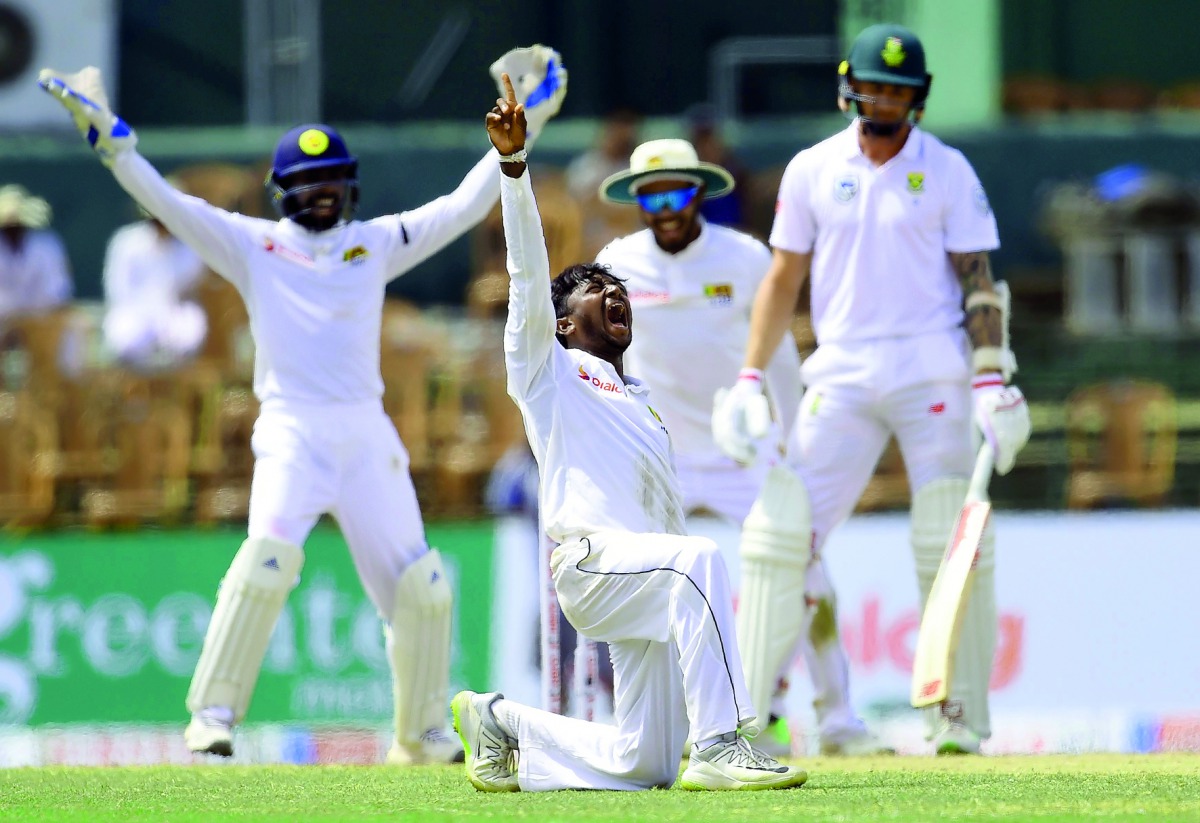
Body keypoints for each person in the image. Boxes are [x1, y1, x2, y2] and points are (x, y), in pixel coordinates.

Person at [39, 50, 566, 764]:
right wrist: (113, 141)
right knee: (266, 563)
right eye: (308, 185)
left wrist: (527, 121)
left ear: (349, 189)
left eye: (332, 184)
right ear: (281, 191)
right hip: (290, 431)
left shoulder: (373, 243)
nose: (321, 196)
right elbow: (167, 202)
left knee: (425, 584)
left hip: (365, 434)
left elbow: (464, 205)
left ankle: (421, 734)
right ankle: (213, 716)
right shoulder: (253, 244)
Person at [449, 74, 807, 794]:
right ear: (560, 323)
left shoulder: (639, 399)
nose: (615, 294)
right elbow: (526, 277)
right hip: (592, 562)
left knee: (642, 762)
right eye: (594, 289)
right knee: (702, 558)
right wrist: (514, 174)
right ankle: (722, 741)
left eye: (621, 290)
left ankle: (496, 718)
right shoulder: (548, 371)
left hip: (644, 572)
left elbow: (664, 514)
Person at [712, 23, 1031, 755]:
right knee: (778, 533)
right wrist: (750, 378)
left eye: (897, 88)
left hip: (933, 370)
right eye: (873, 85)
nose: (883, 98)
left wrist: (993, 376)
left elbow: (977, 280)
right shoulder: (813, 168)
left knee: (949, 534)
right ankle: (747, 722)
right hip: (844, 370)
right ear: (848, 85)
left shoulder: (948, 170)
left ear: (917, 98)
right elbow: (783, 278)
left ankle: (957, 714)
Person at [593, 137, 889, 757]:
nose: (667, 208)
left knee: (809, 576)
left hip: (742, 450)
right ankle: (644, 723)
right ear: (638, 201)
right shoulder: (616, 262)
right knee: (642, 586)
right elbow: (600, 364)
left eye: (678, 192)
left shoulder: (745, 257)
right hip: (660, 458)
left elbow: (778, 350)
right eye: (652, 196)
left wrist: (789, 444)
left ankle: (836, 719)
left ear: (700, 193)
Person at [101, 200, 207, 371]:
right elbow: (118, 290)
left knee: (191, 330)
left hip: (174, 314)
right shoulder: (126, 242)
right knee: (123, 335)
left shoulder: (188, 247)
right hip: (135, 313)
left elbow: (190, 288)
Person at [0, 185, 72, 326]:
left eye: (17, 224)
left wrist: (29, 316)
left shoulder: (47, 246)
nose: (12, 229)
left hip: (41, 320)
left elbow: (57, 290)